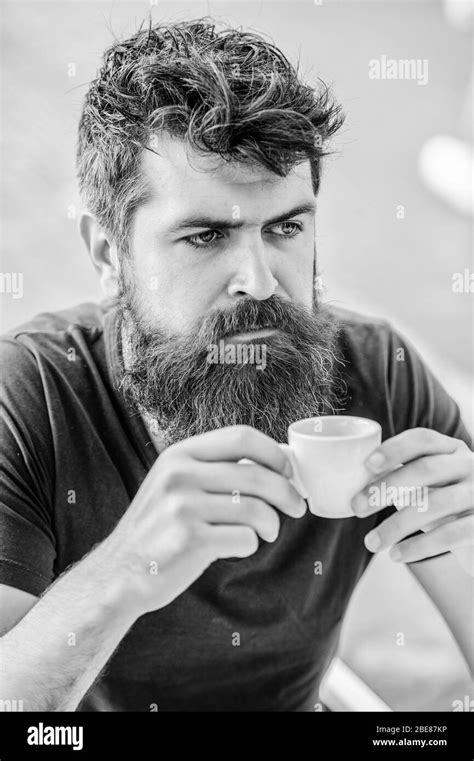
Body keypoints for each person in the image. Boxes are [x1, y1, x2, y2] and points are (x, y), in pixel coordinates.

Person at [0, 18, 472, 712]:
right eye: (206, 236)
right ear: (107, 253)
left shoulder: (377, 374)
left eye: (285, 228)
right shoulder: (31, 396)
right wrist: (125, 568)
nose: (259, 279)